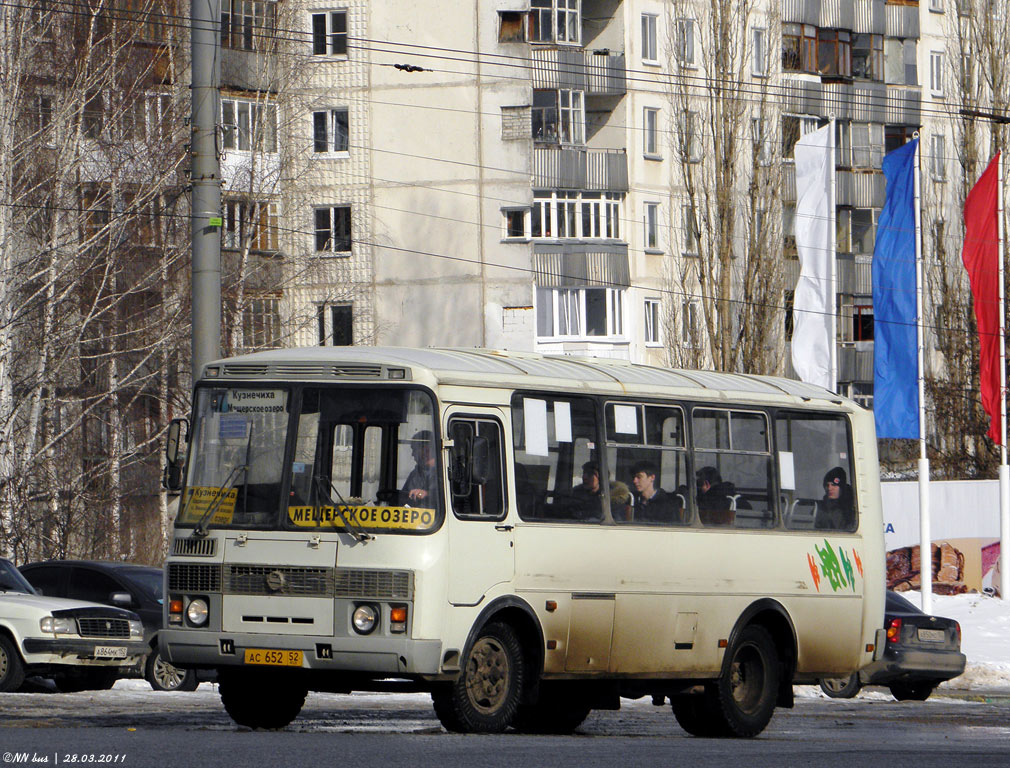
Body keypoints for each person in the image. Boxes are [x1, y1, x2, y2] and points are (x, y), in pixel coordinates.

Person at [402, 430, 438, 506]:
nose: (412, 454)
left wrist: (427, 494)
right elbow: (404, 496)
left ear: (426, 449)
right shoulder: (414, 474)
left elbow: (450, 496)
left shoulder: (445, 471)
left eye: (414, 449)